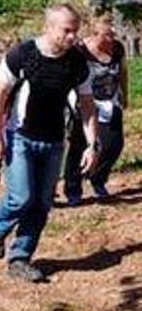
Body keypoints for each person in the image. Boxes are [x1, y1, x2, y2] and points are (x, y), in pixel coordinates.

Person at [0, 3, 97, 283]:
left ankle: (20, 258)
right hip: (20, 136)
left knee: (41, 204)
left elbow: (87, 105)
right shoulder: (22, 56)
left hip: (53, 141)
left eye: (76, 31)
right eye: (67, 31)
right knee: (21, 197)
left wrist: (91, 143)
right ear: (48, 27)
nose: (73, 37)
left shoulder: (77, 63)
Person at [63, 13, 129, 203]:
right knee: (79, 146)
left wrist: (125, 94)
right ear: (94, 34)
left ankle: (98, 178)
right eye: (106, 35)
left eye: (112, 35)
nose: (111, 39)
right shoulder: (80, 51)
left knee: (114, 144)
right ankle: (73, 188)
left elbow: (123, 72)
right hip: (84, 103)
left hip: (110, 101)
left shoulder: (117, 49)